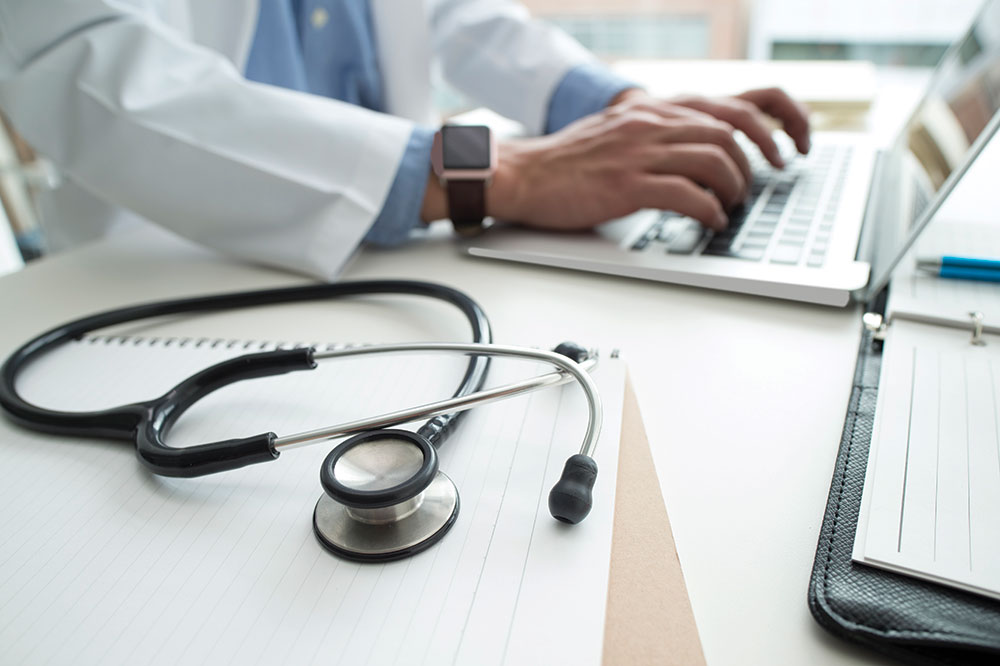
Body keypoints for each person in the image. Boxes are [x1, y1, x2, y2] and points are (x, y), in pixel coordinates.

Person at [0, 0, 811, 279]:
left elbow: (461, 16)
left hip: (388, 258)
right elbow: (93, 69)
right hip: (160, 273)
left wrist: (630, 111)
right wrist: (506, 176)